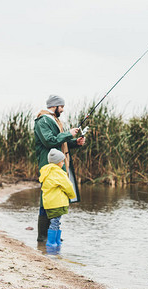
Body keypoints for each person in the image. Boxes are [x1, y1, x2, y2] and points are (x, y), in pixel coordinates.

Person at [34, 95, 85, 242]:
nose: (62, 110)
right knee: (46, 200)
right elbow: (50, 142)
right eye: (61, 107)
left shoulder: (55, 121)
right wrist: (68, 133)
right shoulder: (43, 121)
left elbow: (60, 143)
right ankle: (42, 237)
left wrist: (76, 142)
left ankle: (51, 234)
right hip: (48, 166)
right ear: (54, 106)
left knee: (55, 199)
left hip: (58, 165)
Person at [39, 149, 76, 253]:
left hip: (49, 203)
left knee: (56, 222)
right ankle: (51, 243)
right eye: (62, 161)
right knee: (55, 222)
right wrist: (72, 195)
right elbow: (67, 185)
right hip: (57, 203)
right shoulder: (58, 172)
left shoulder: (46, 171)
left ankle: (56, 241)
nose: (63, 163)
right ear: (57, 162)